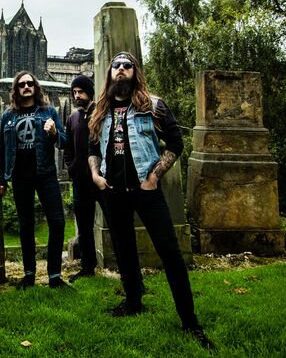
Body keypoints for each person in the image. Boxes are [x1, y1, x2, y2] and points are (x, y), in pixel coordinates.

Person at [87, 52, 213, 349]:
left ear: (135, 72)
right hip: (113, 191)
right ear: (110, 73)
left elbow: (176, 143)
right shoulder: (99, 109)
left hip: (146, 190)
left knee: (170, 253)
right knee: (124, 250)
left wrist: (154, 176)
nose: (121, 69)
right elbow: (93, 147)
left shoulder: (153, 105)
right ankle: (133, 302)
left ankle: (190, 321)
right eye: (116, 66)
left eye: (127, 66)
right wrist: (95, 174)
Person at [0, 71, 68, 289]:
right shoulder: (8, 116)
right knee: (26, 225)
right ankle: (29, 274)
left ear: (35, 87)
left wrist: (54, 133)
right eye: (21, 84)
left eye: (30, 83)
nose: (26, 87)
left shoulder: (49, 111)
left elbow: (64, 142)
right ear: (16, 89)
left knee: (57, 222)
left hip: (46, 174)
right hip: (20, 176)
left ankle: (54, 275)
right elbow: (2, 149)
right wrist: (0, 179)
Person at [63, 74, 104, 283]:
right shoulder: (73, 118)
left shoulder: (102, 113)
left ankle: (127, 269)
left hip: (103, 180)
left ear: (89, 92)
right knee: (84, 228)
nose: (77, 95)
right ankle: (88, 267)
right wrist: (72, 167)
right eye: (74, 92)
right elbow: (68, 147)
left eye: (80, 91)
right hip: (80, 180)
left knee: (116, 224)